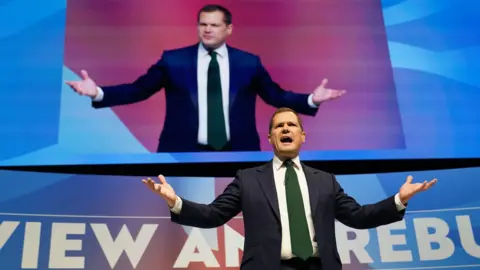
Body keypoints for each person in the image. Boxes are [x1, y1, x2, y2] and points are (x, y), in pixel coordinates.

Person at [142, 107, 437, 270]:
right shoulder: (248, 178)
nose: (285, 129)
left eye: (291, 125)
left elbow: (358, 217)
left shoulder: (325, 179)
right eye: (279, 126)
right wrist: (176, 201)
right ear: (270, 138)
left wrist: (398, 199)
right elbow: (213, 215)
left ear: (302, 136)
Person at [65, 4, 346, 153]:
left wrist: (311, 99)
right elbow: (139, 90)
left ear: (229, 29)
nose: (207, 30)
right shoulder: (173, 60)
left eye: (214, 25)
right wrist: (97, 92)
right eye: (202, 24)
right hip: (182, 153)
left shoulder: (249, 62)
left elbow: (276, 96)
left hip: (238, 154)